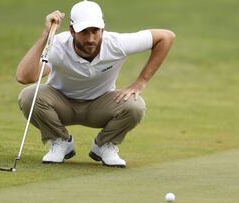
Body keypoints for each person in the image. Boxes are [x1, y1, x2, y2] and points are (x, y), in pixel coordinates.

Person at [16, 0, 175, 168]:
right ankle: (59, 141)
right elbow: (24, 76)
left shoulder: (117, 44)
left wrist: (140, 82)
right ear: (72, 31)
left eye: (95, 31)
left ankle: (105, 146)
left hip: (100, 106)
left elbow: (166, 37)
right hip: (60, 104)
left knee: (135, 105)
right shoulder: (57, 45)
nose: (91, 39)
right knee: (29, 96)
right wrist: (45, 36)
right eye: (84, 32)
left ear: (103, 29)